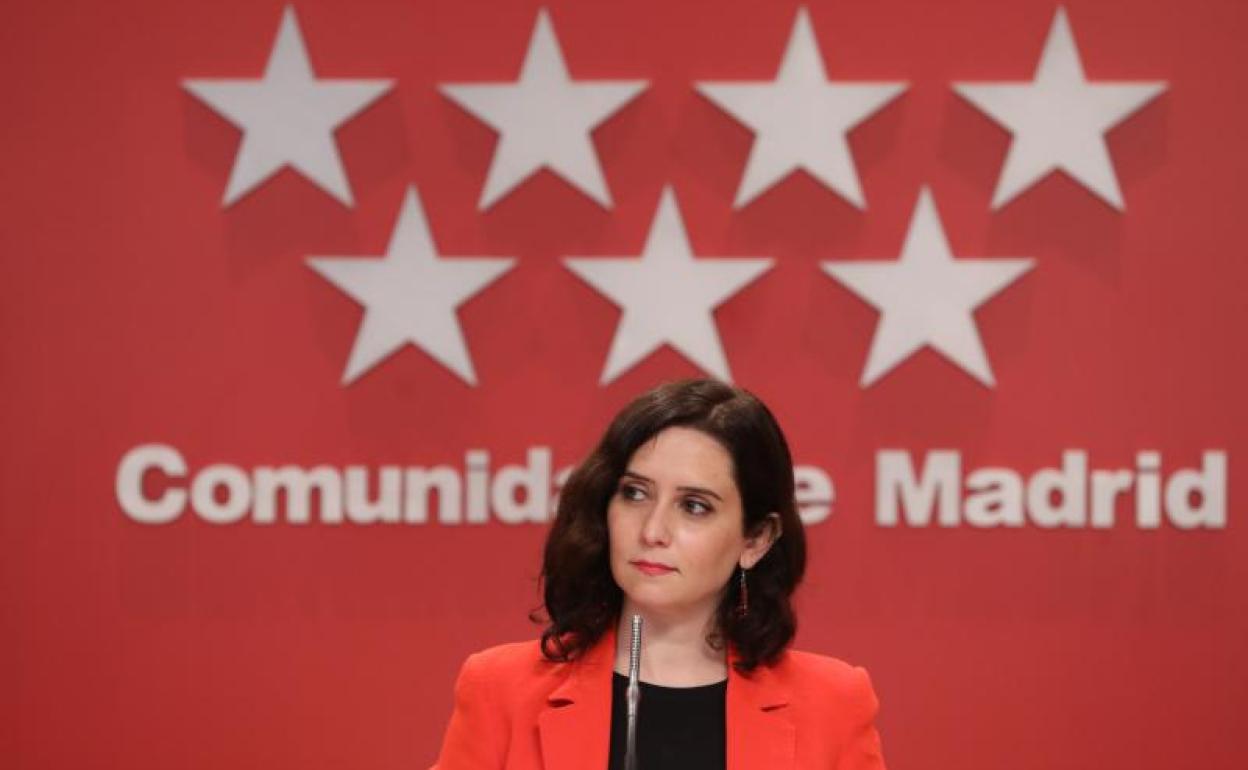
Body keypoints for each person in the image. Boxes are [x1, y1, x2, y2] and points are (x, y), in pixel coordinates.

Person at [431, 379, 886, 770]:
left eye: (694, 506)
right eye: (634, 494)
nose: (652, 531)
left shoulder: (834, 705)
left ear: (756, 539)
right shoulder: (499, 691)